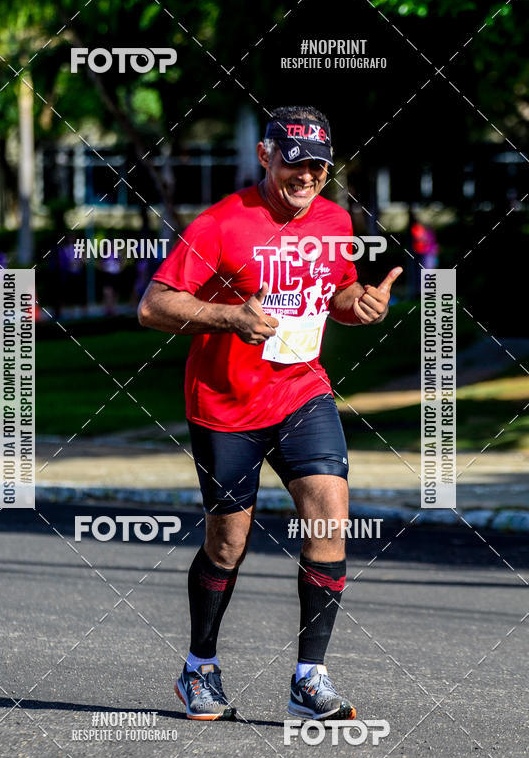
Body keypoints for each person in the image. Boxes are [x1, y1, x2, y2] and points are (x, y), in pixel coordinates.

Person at [138, 105, 402, 721]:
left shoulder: (335, 220)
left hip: (300, 392)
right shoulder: (221, 226)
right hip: (225, 404)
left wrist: (356, 302)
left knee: (329, 515)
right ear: (265, 155)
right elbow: (154, 306)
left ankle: (309, 678)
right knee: (228, 542)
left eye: (317, 165)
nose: (306, 175)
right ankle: (200, 667)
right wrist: (230, 316)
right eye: (295, 161)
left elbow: (331, 289)